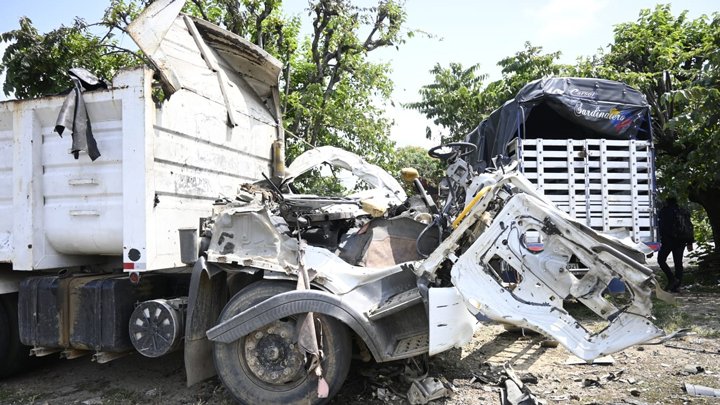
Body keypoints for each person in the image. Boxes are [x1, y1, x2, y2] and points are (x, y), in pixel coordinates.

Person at [657, 197, 694, 292]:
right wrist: (690, 242)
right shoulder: (683, 211)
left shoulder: (664, 211)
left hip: (668, 241)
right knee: (678, 263)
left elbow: (661, 227)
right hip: (680, 241)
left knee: (661, 260)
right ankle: (676, 286)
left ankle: (672, 279)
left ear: (667, 202)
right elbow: (689, 227)